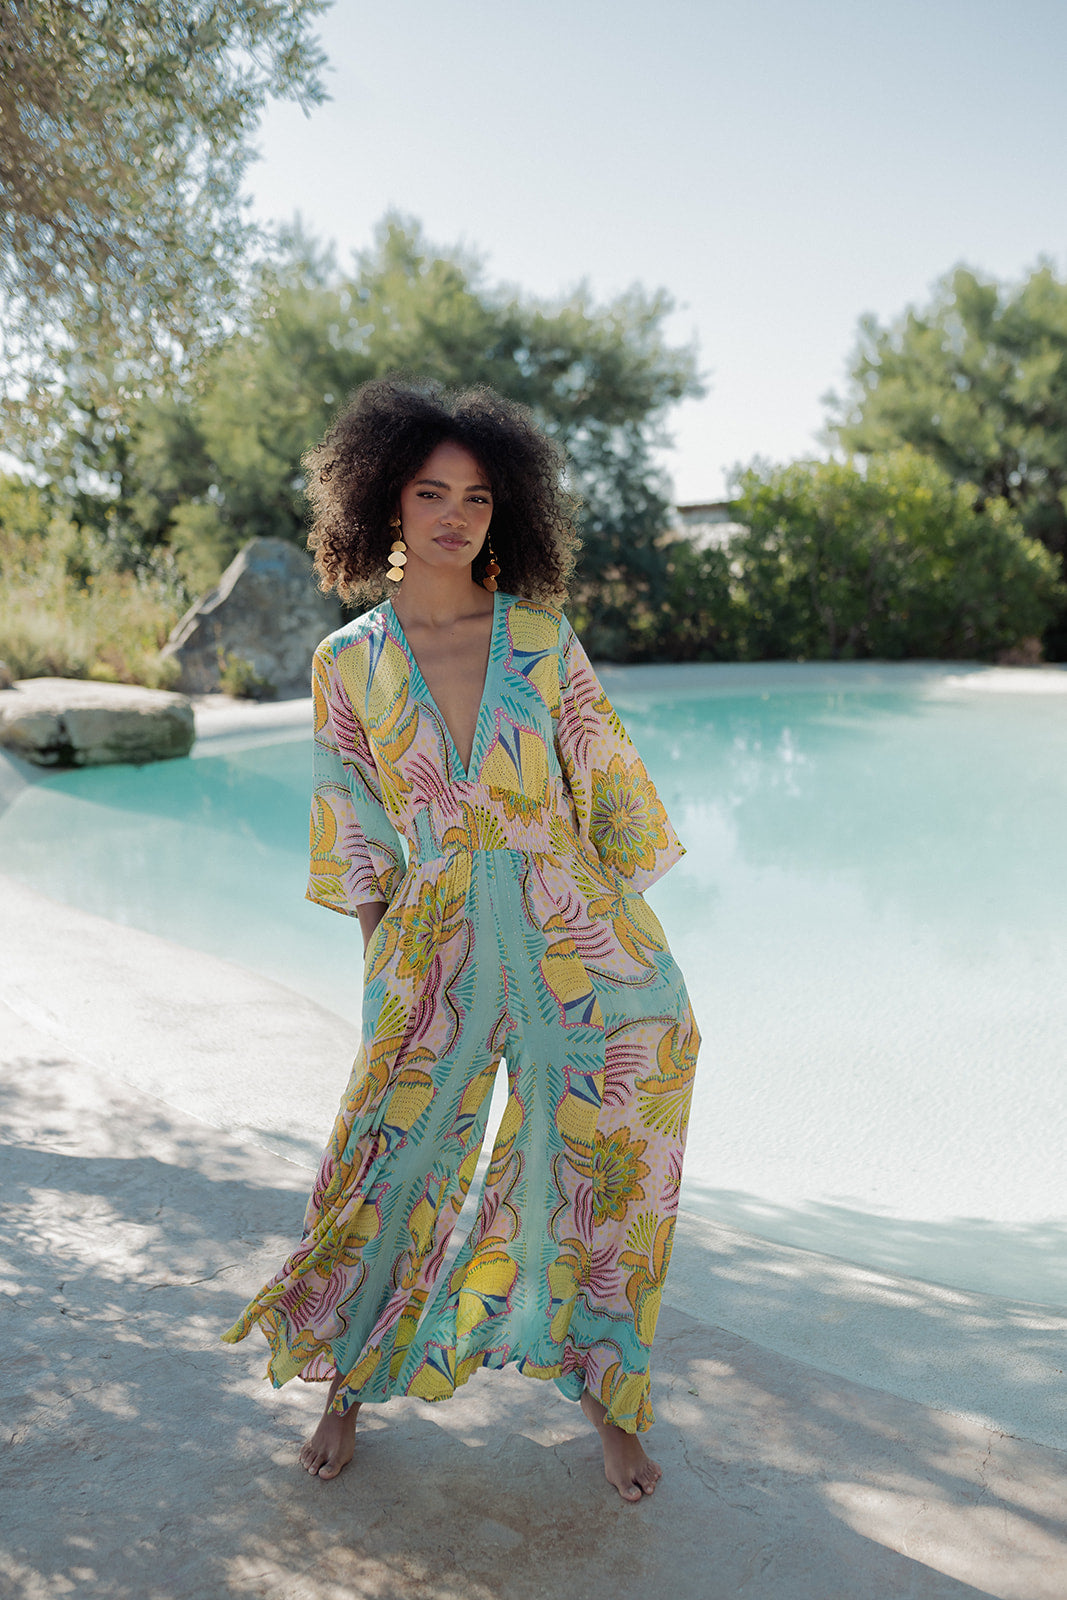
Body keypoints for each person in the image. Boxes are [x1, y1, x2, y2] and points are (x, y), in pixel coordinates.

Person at [222, 377, 700, 1502]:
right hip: (431, 945)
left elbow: (609, 791)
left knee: (599, 1153)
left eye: (477, 497)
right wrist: (381, 965)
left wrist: (627, 940)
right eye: (431, 492)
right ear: (385, 502)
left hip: (565, 926)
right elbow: (352, 824)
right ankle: (347, 1384)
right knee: (387, 1157)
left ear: (503, 510)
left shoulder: (540, 638)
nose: (454, 516)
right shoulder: (346, 662)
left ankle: (605, 1393)